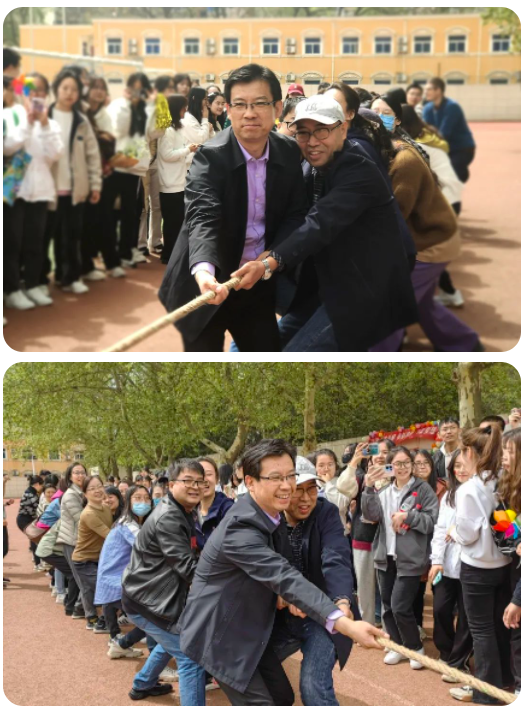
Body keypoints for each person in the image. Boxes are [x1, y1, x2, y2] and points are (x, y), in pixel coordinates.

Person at [177, 439, 388, 705]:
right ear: (250, 482)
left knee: (284, 696)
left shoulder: (279, 513)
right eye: (276, 478)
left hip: (276, 621)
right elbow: (283, 576)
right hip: (222, 634)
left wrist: (340, 603)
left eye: (291, 477)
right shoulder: (241, 527)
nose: (288, 486)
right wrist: (345, 624)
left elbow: (334, 560)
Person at [232, 94, 418, 352]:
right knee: (251, 348)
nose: (312, 141)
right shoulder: (312, 166)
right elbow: (294, 215)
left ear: (343, 129)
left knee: (296, 358)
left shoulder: (358, 168)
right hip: (325, 284)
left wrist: (268, 262)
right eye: (303, 133)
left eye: (322, 130)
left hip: (361, 288)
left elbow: (320, 223)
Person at [159, 63, 309, 352]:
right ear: (227, 109)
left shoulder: (288, 151)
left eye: (259, 103)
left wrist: (271, 257)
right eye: (239, 104)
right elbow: (203, 216)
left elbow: (295, 214)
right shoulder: (210, 157)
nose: (249, 113)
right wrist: (204, 272)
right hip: (206, 285)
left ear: (277, 108)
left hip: (255, 279)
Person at [370, 93, 483, 352]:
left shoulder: (403, 159)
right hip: (428, 237)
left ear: (397, 120)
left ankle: (379, 357)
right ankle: (465, 343)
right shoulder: (385, 150)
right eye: (374, 112)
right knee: (421, 304)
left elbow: (394, 216)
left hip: (431, 243)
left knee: (392, 303)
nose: (378, 117)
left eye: (385, 113)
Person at [268, 456, 358, 706]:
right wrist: (278, 596)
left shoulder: (326, 512)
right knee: (250, 670)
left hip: (323, 616)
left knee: (313, 686)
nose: (306, 498)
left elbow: (336, 558)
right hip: (279, 619)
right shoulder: (267, 519)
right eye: (298, 490)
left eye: (312, 489)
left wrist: (342, 601)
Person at [121, 460, 208, 704]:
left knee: (171, 639)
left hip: (152, 595)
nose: (195, 486)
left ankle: (143, 684)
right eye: (188, 481)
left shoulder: (183, 511)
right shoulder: (169, 516)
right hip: (148, 601)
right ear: (171, 485)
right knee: (190, 656)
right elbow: (188, 568)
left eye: (199, 481)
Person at [449, 424, 513, 704]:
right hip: (505, 564)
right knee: (500, 626)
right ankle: (506, 681)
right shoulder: (504, 480)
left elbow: (467, 534)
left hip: (477, 569)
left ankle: (486, 692)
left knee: (481, 630)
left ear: (468, 453)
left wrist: (453, 532)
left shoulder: (468, 489)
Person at [361, 446, 439, 669]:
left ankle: (415, 647)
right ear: (390, 466)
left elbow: (432, 521)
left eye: (406, 463)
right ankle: (397, 646)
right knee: (387, 606)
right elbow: (370, 515)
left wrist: (409, 517)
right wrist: (368, 488)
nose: (402, 468)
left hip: (410, 558)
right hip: (385, 556)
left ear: (412, 465)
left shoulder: (423, 489)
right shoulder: (384, 491)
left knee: (400, 606)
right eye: (397, 463)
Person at [325, 82, 416, 267]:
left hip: (381, 256)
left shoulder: (355, 151)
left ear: (351, 114)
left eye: (335, 106)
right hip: (382, 251)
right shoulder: (353, 143)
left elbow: (328, 216)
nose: (327, 110)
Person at [4, 72, 63, 310]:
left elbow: (56, 153)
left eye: (41, 90)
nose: (36, 94)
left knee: (35, 242)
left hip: (41, 190)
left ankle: (32, 284)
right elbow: (7, 147)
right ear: (23, 92)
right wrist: (28, 123)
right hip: (14, 189)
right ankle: (11, 289)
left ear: (46, 95)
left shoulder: (52, 123)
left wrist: (44, 123)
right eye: (31, 89)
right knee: (11, 242)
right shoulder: (10, 115)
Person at [40, 68, 101, 295]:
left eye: (74, 89)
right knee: (44, 238)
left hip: (75, 189)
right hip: (47, 189)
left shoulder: (81, 121)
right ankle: (39, 280)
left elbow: (92, 156)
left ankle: (69, 277)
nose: (69, 93)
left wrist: (95, 185)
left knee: (71, 236)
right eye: (65, 88)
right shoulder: (45, 116)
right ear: (56, 89)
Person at [428, 449, 474, 682]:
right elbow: (440, 530)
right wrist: (436, 561)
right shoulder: (449, 496)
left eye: (466, 464)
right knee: (440, 609)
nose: (461, 470)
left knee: (467, 616)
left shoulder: (481, 494)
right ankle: (446, 653)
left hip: (472, 566)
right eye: (457, 466)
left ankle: (459, 661)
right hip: (446, 566)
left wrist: (455, 532)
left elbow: (477, 529)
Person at [94, 485, 152, 660]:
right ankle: (155, 666)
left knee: (152, 618)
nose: (143, 502)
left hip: (117, 579)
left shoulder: (132, 522)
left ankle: (120, 645)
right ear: (128, 502)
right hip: (116, 581)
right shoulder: (128, 525)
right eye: (137, 498)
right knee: (154, 618)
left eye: (146, 498)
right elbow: (147, 548)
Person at [106, 72, 152, 268]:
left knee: (129, 213)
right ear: (128, 88)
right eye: (135, 88)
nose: (137, 93)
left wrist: (154, 104)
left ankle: (125, 252)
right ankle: (110, 255)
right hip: (115, 165)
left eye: (142, 89)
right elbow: (117, 130)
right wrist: (129, 106)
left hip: (132, 167)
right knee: (110, 214)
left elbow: (151, 133)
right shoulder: (119, 106)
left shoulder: (144, 110)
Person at [82, 76, 124, 279]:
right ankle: (86, 263)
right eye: (95, 87)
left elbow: (110, 139)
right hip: (83, 173)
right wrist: (100, 136)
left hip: (105, 172)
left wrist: (99, 136)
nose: (98, 92)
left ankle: (111, 262)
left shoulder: (105, 114)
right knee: (85, 221)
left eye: (102, 88)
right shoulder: (81, 111)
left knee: (106, 219)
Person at [157, 94, 197, 265]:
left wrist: (188, 150)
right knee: (172, 223)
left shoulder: (176, 128)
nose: (185, 110)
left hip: (178, 181)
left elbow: (177, 152)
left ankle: (173, 253)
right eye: (183, 107)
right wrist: (187, 150)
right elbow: (167, 155)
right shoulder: (167, 130)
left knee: (178, 221)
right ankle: (168, 254)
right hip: (169, 183)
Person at [139, 74, 176, 258]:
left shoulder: (166, 107)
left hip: (158, 162)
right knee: (143, 205)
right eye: (169, 88)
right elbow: (153, 131)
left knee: (157, 204)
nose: (171, 92)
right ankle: (140, 243)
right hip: (143, 161)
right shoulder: (148, 106)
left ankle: (154, 241)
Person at [72, 475, 113, 631]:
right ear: (85, 493)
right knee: (106, 588)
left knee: (90, 589)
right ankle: (101, 622)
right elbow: (109, 535)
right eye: (92, 488)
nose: (97, 490)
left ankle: (89, 616)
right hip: (84, 561)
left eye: (99, 486)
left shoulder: (106, 508)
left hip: (99, 558)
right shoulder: (88, 514)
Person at [497, 427, 521, 698]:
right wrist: (517, 543)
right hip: (514, 570)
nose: (504, 456)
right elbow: (502, 529)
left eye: (510, 451)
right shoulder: (504, 487)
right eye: (503, 450)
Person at [423, 78, 476, 184]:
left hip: (462, 149)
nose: (425, 92)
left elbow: (444, 134)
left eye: (429, 89)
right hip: (444, 148)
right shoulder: (428, 108)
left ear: (438, 90)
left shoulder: (452, 107)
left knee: (449, 175)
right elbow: (426, 132)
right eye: (425, 89)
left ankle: (460, 175)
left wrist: (431, 133)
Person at [56, 463, 88, 618]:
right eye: (76, 472)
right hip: (72, 542)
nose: (80, 475)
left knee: (82, 579)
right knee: (82, 579)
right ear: (70, 476)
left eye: (82, 472)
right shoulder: (70, 495)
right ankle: (81, 610)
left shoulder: (81, 492)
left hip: (80, 541)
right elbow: (82, 519)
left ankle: (77, 607)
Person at [195, 457, 234, 550]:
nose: (205, 479)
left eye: (209, 474)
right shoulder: (189, 511)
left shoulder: (228, 509)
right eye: (200, 474)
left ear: (217, 479)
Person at [314, 448, 350, 530]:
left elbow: (340, 505)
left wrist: (328, 483)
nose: (326, 469)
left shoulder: (342, 482)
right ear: (315, 467)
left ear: (335, 466)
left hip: (338, 530)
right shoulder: (311, 484)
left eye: (330, 464)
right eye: (321, 465)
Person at [16, 474, 45, 570]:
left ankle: (37, 561)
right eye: (41, 485)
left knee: (34, 539)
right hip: (25, 520)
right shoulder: (30, 494)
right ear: (37, 484)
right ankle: (37, 563)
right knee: (35, 539)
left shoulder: (31, 492)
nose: (42, 487)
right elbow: (38, 507)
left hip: (27, 519)